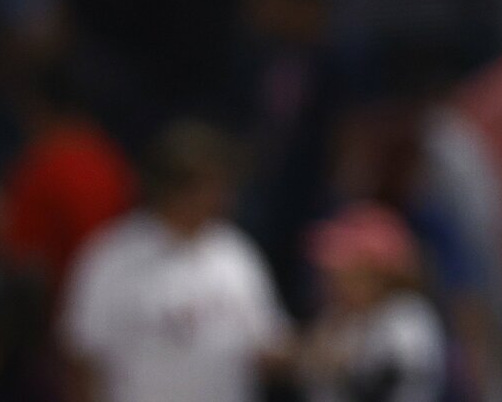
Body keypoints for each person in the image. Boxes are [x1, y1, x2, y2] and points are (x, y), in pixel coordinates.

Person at [58, 120, 292, 402]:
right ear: (171, 187)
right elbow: (81, 356)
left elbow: (270, 345)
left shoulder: (236, 254)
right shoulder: (111, 256)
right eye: (209, 185)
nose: (222, 198)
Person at [298, 202, 445, 402]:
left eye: (345, 270)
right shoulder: (337, 316)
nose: (329, 280)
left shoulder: (408, 316)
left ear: (378, 274)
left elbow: (384, 373)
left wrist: (324, 359)